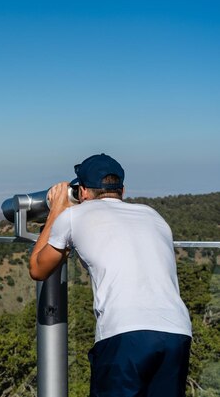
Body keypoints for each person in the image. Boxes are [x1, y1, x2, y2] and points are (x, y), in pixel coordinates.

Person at [29, 153, 192, 397]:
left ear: (83, 192)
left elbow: (38, 269)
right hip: (177, 332)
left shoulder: (72, 217)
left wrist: (57, 210)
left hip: (124, 333)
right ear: (122, 190)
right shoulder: (152, 215)